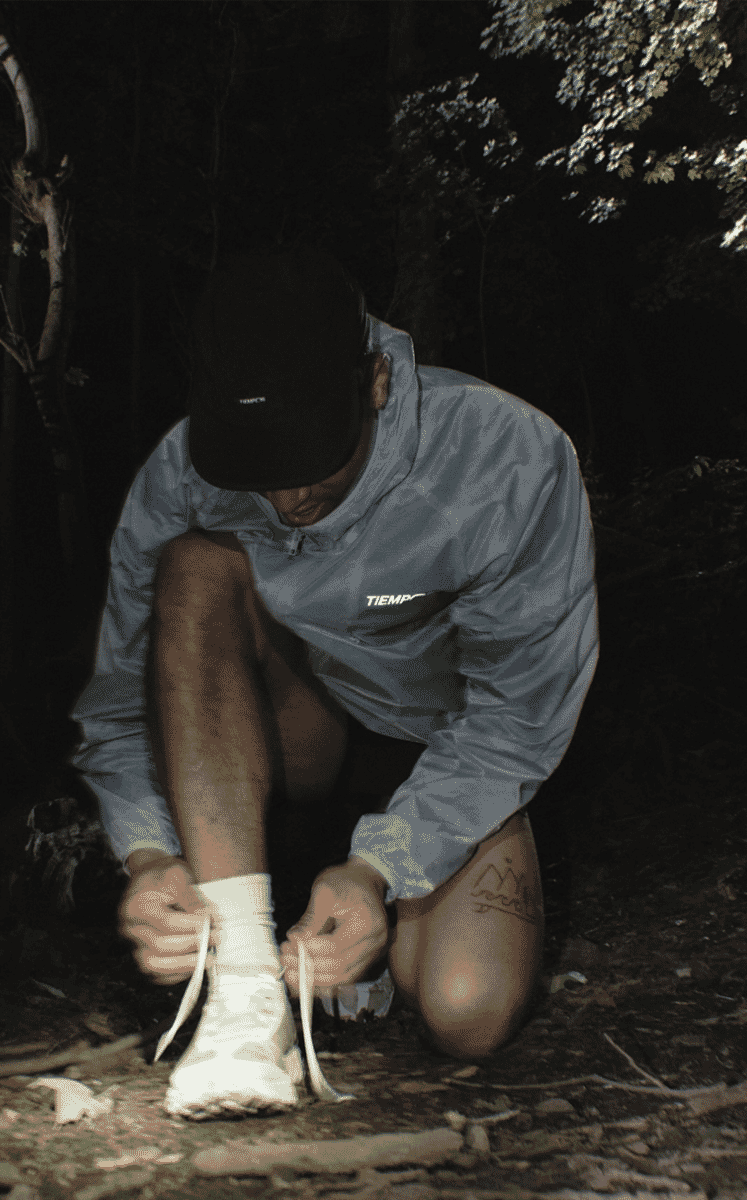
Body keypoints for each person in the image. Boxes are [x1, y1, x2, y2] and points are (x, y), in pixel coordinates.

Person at [71, 248, 599, 1120]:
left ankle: (358, 914)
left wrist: (380, 866)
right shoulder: (178, 473)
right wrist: (147, 851)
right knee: (195, 566)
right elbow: (120, 699)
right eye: (256, 463)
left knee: (467, 1011)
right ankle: (247, 992)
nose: (285, 497)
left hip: (443, 743)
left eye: (312, 456)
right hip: (295, 723)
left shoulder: (508, 456)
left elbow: (518, 711)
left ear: (377, 384)